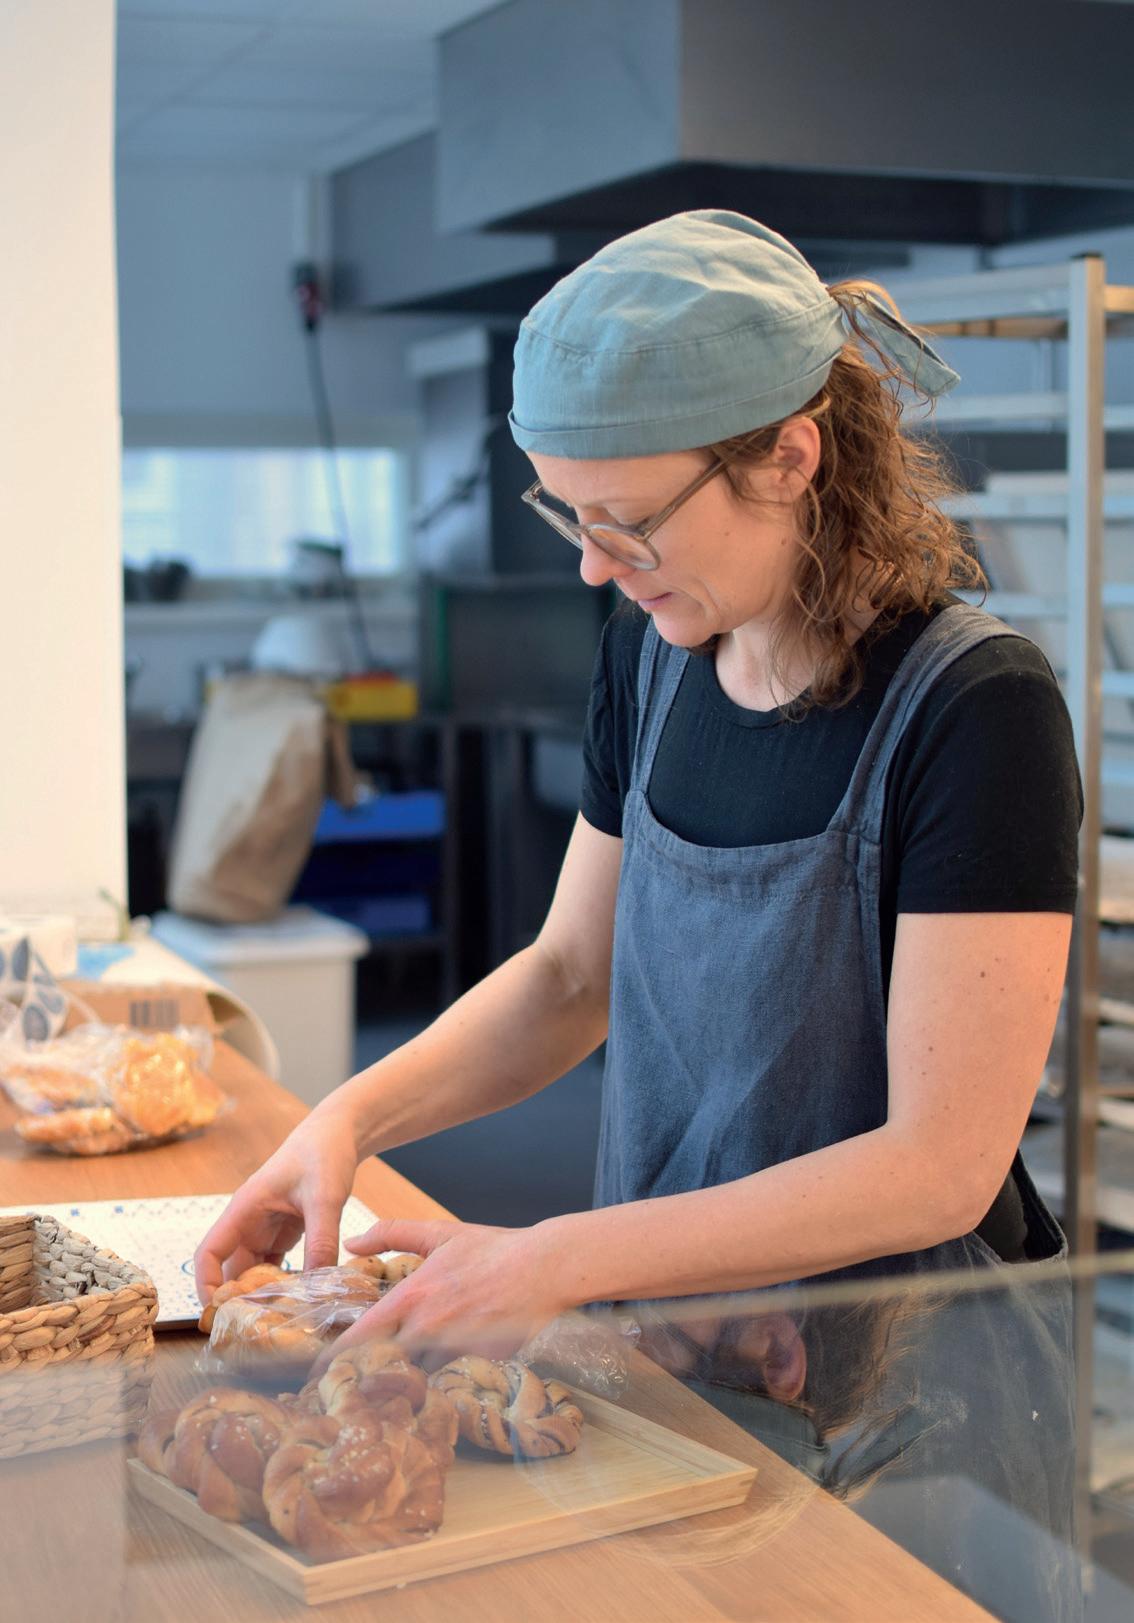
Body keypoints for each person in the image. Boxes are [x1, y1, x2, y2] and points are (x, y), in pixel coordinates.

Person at [195, 210, 1081, 1372]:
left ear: (790, 459)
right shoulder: (650, 660)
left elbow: (940, 1167)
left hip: (909, 1387)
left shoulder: (975, 708)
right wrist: (345, 1121)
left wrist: (560, 1258)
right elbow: (572, 976)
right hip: (676, 1336)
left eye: (630, 524)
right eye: (570, 515)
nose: (592, 565)